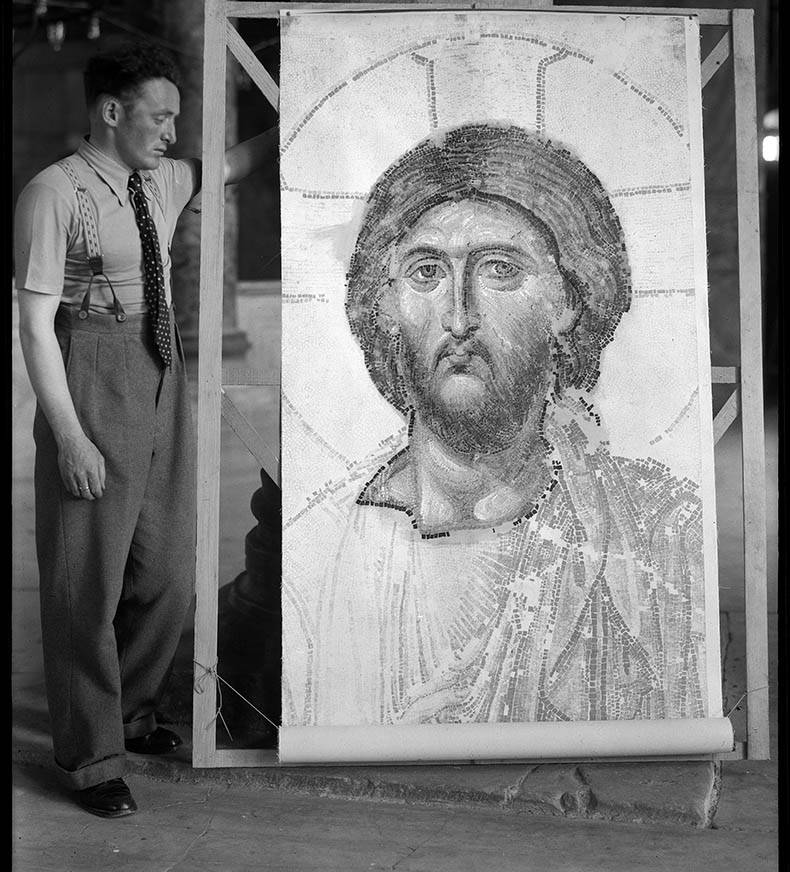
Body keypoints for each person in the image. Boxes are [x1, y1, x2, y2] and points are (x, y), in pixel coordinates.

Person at [282, 123, 709, 728]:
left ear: (570, 300)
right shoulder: (318, 555)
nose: (459, 316)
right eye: (426, 272)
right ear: (383, 305)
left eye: (501, 270)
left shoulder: (660, 529)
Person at [14, 40, 276, 818]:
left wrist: (303, 105)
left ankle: (132, 711)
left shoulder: (158, 179)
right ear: (112, 111)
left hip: (163, 367)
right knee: (83, 581)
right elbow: (31, 326)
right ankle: (92, 757)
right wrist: (69, 435)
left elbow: (235, 162)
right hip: (90, 367)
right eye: (160, 117)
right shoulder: (52, 194)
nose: (171, 132)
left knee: (167, 567)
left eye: (176, 119)